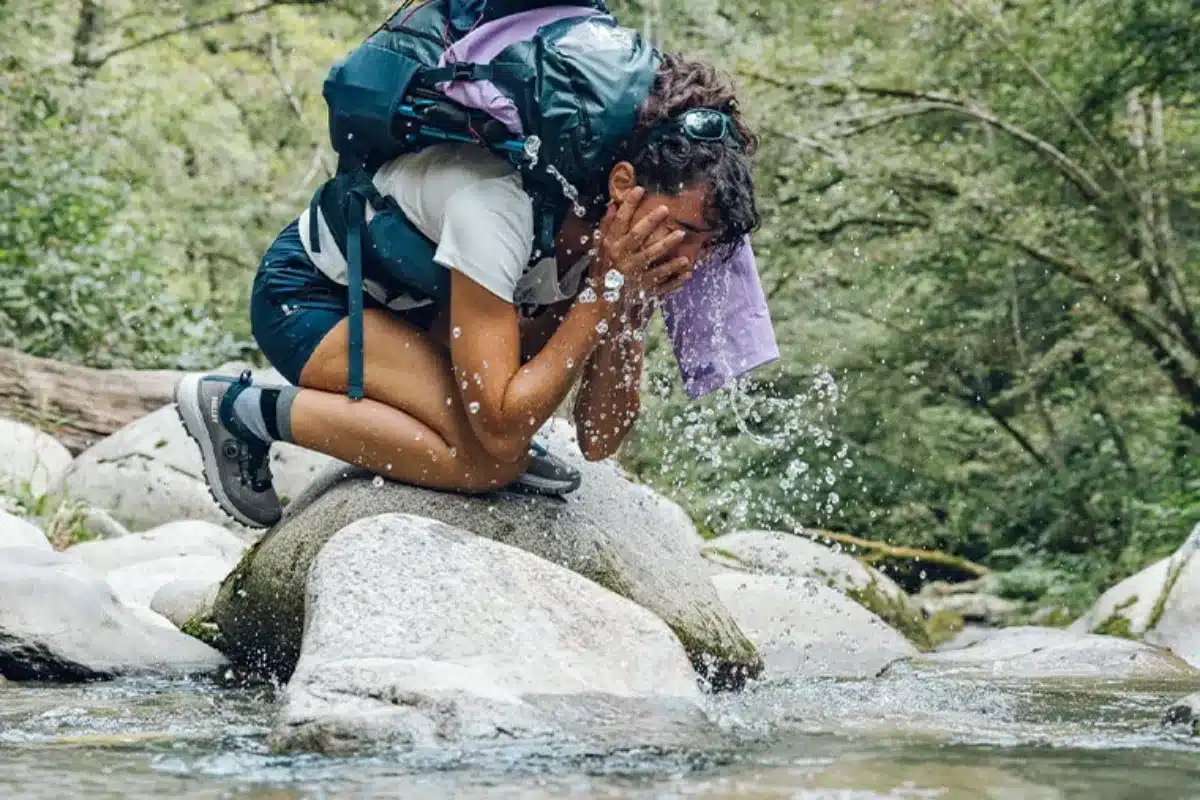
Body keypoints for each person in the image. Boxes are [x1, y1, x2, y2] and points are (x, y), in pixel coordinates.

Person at [173, 52, 760, 529]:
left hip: (416, 312)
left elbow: (600, 438)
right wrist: (604, 294)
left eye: (708, 244)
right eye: (686, 231)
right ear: (623, 183)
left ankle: (448, 424)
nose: (690, 258)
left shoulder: (623, 241)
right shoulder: (497, 206)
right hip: (313, 299)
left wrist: (624, 305)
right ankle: (239, 410)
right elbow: (501, 421)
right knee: (488, 461)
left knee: (496, 439)